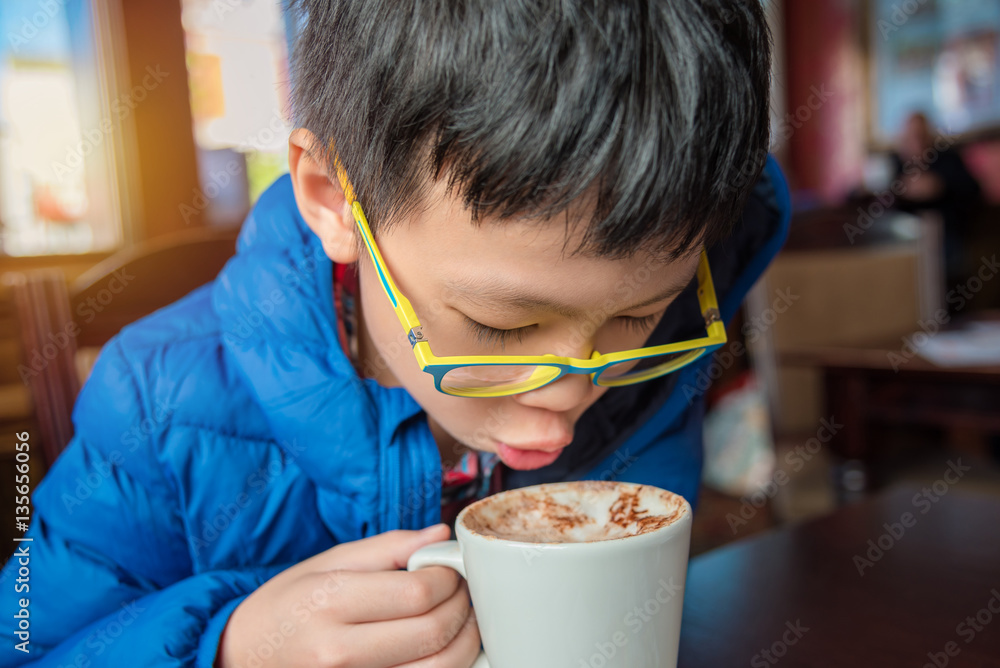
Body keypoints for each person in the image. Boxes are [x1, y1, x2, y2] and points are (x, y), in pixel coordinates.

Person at [0, 1, 789, 666]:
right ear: (334, 200)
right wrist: (228, 645)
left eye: (633, 317)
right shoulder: (156, 400)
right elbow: (28, 640)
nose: (567, 399)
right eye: (498, 325)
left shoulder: (661, 355)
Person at [891, 112, 982, 292]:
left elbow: (974, 189)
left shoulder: (947, 158)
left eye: (921, 135)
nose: (917, 141)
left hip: (945, 234)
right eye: (911, 136)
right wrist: (902, 189)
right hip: (903, 238)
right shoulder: (895, 164)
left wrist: (940, 184)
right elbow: (877, 200)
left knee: (946, 274)